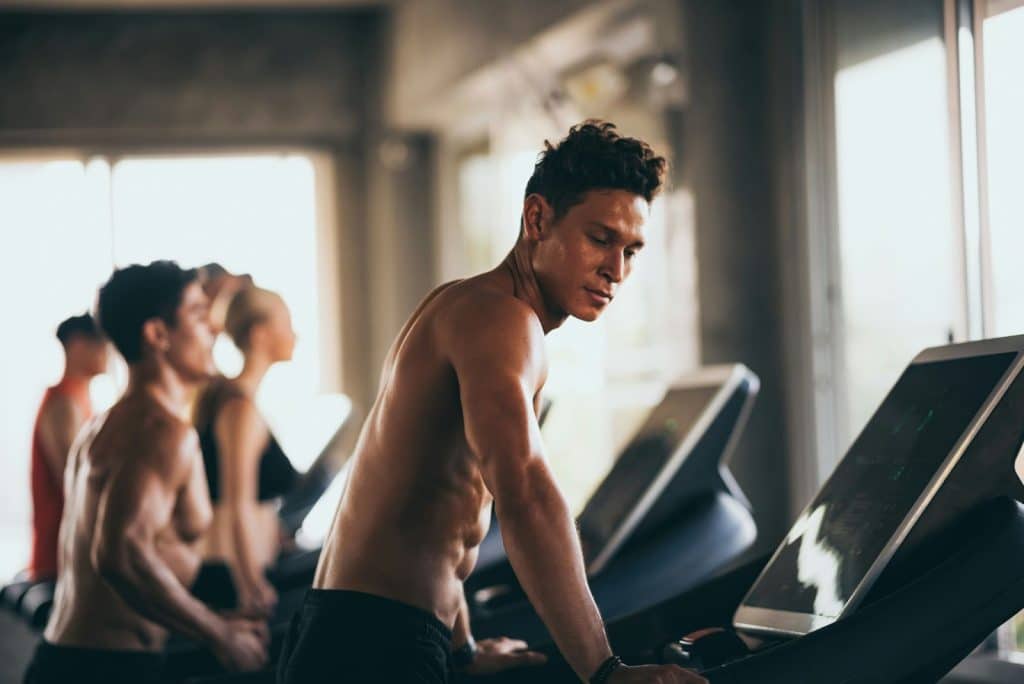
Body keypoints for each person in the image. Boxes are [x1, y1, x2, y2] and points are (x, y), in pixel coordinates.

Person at [278, 121, 705, 683]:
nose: (616, 270)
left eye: (632, 250)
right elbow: (522, 486)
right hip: (375, 644)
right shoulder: (501, 319)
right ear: (537, 219)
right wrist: (604, 671)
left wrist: (461, 649)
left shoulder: (469, 307)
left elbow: (446, 507)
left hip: (358, 629)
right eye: (600, 239)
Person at [25, 261, 268, 684]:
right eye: (197, 314)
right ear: (157, 335)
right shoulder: (159, 431)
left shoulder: (112, 424)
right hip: (104, 669)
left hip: (77, 658)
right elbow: (120, 555)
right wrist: (221, 634)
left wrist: (217, 617)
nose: (213, 328)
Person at [193, 287, 299, 617]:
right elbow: (237, 505)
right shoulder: (238, 410)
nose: (295, 334)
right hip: (233, 578)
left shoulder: (237, 401)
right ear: (260, 334)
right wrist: (250, 585)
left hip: (242, 569)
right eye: (287, 323)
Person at [28, 313, 108, 583]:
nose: (108, 351)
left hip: (72, 553)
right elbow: (75, 486)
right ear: (77, 345)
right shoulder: (64, 404)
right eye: (101, 343)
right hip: (59, 560)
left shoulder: (80, 400)